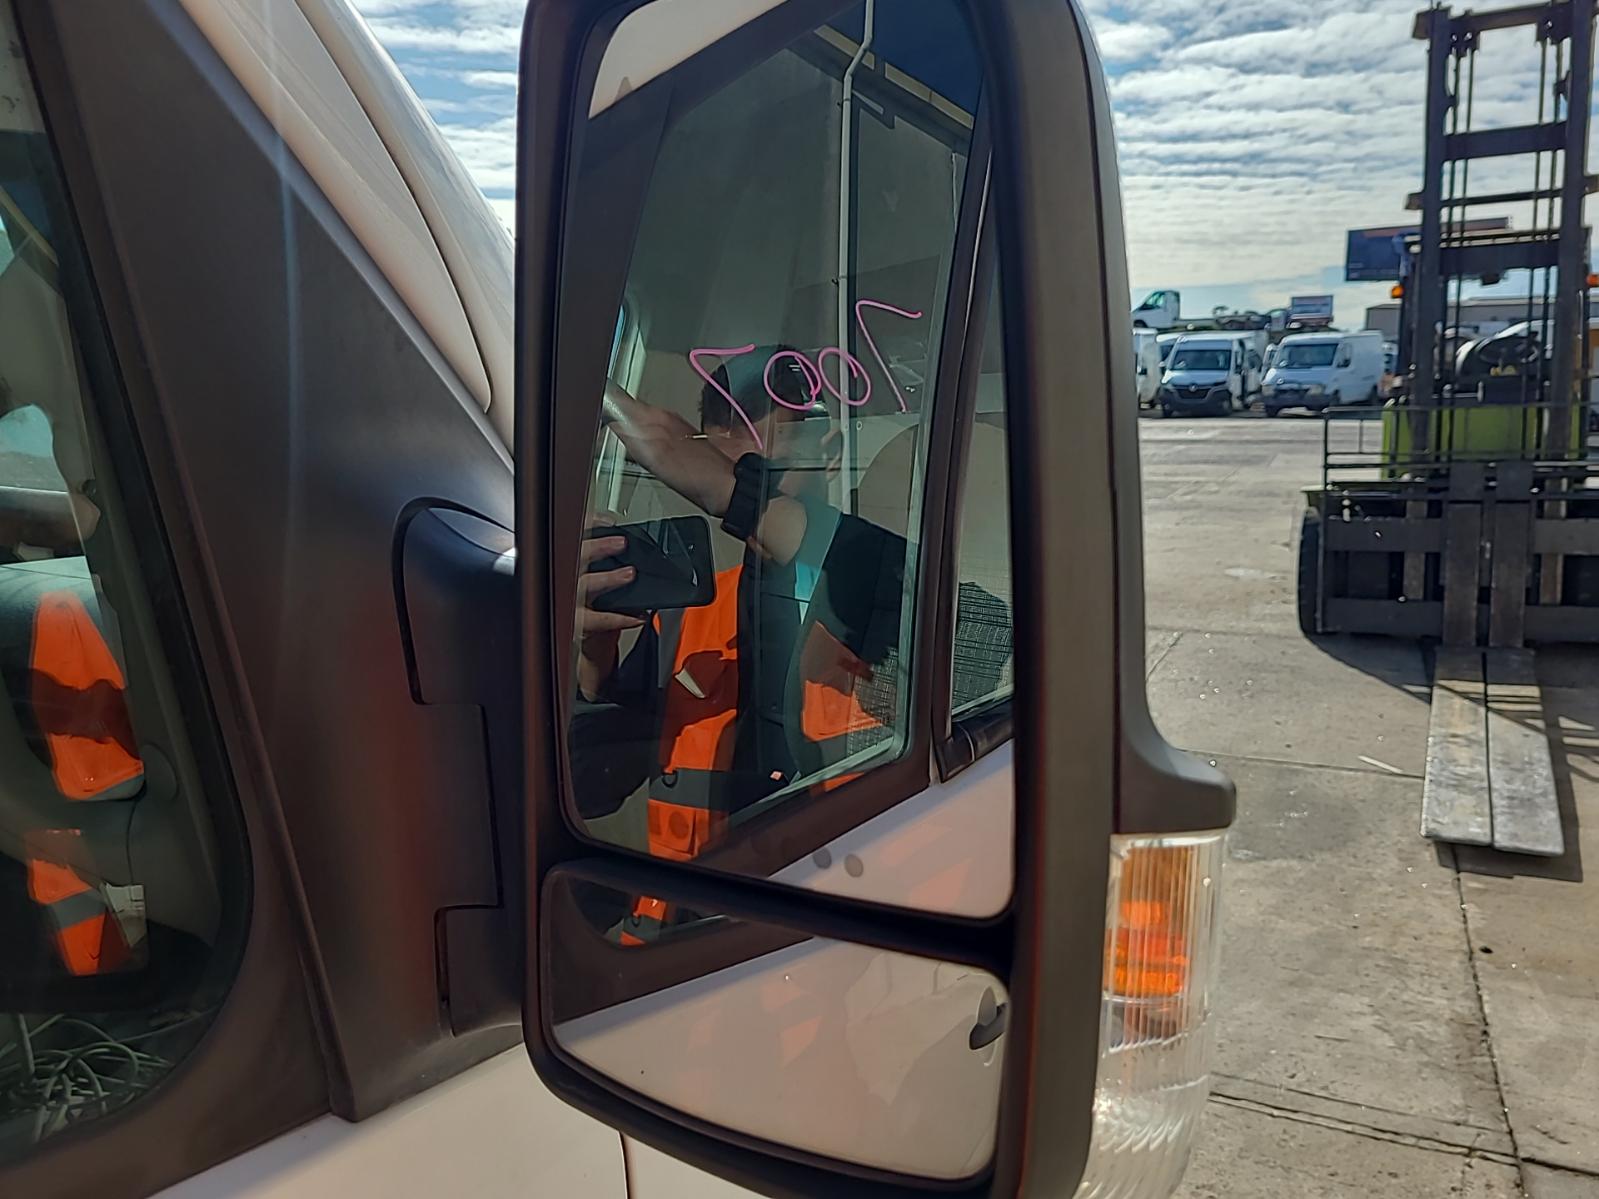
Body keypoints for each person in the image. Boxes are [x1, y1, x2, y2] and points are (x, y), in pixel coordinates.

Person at [570, 349, 907, 940]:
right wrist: (593, 658)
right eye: (719, 431)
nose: (732, 454)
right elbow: (591, 789)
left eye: (761, 429)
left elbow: (981, 643)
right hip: (680, 954)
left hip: (846, 947)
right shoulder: (688, 616)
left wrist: (736, 493)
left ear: (830, 454)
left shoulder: (898, 603)